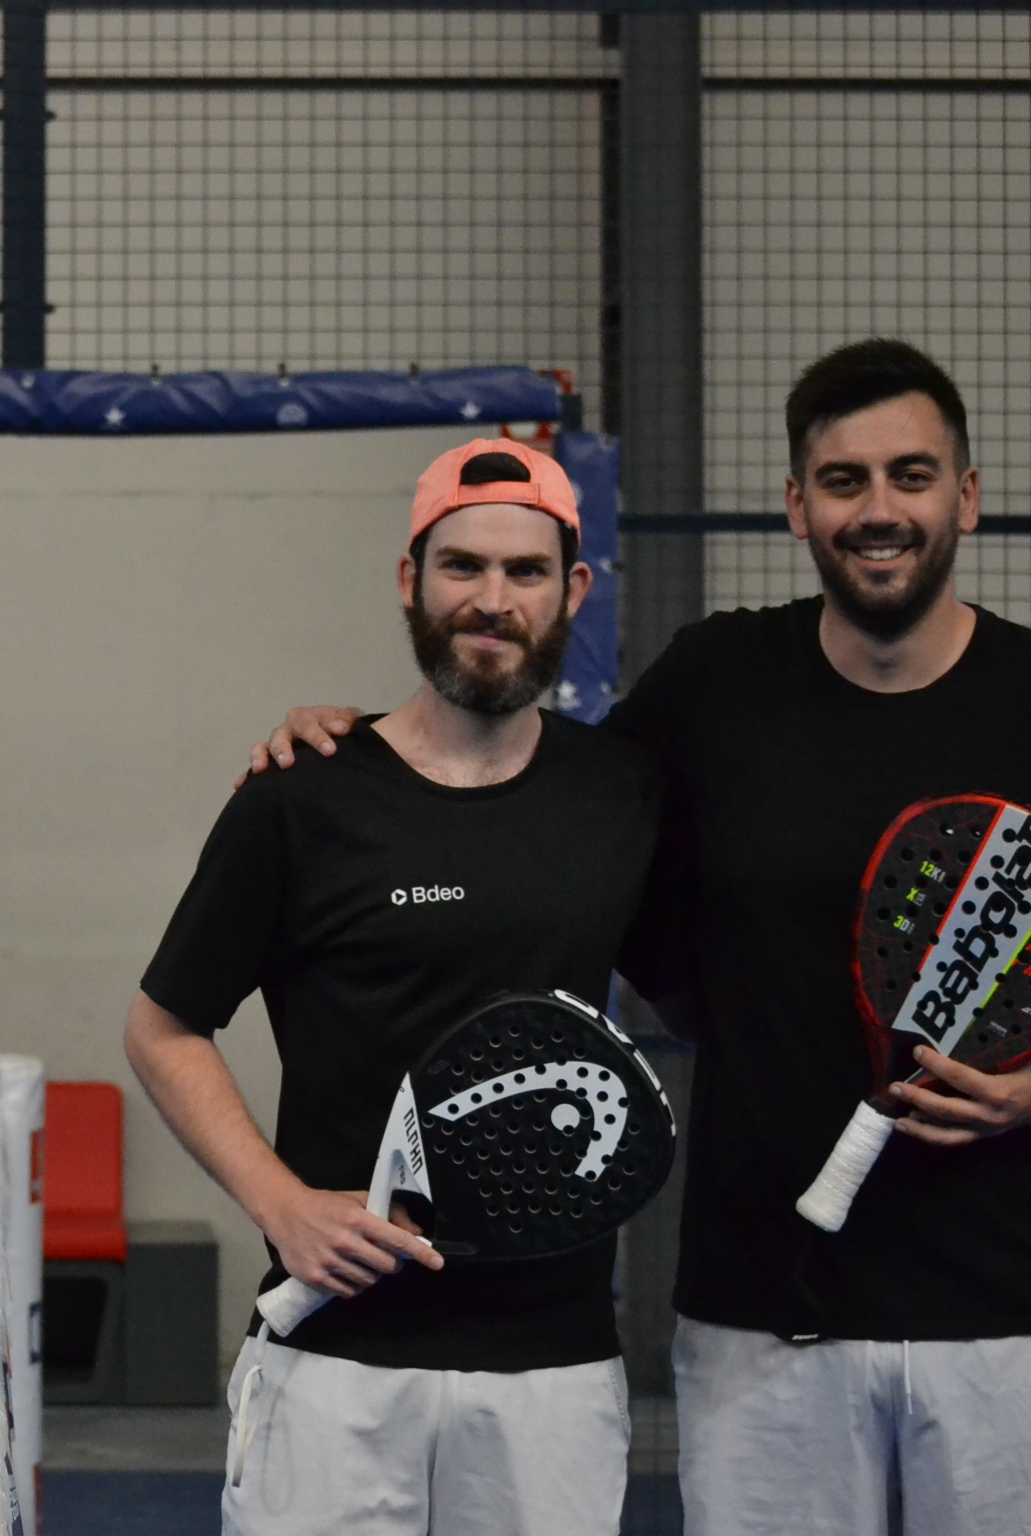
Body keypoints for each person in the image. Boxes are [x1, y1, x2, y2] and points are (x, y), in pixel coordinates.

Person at [251, 339, 1031, 1535]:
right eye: (844, 480)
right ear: (797, 506)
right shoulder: (717, 683)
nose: (879, 510)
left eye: (912, 476)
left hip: (1010, 1324)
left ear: (966, 497)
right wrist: (358, 743)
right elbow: (525, 783)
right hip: (765, 1322)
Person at [129, 438, 660, 1536]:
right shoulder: (302, 795)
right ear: (410, 579)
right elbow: (163, 1028)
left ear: (574, 590)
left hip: (552, 1373)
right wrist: (280, 1204)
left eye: (525, 571)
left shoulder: (625, 794)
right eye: (462, 566)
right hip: (334, 1360)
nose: (492, 600)